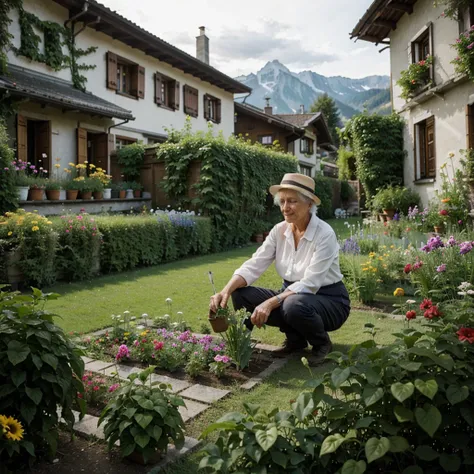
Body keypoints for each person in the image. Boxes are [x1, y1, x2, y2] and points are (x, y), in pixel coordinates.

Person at [209, 173, 350, 363]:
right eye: (282, 201)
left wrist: (269, 303)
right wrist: (225, 290)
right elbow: (255, 263)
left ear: (309, 204)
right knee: (240, 294)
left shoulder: (324, 234)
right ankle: (292, 341)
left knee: (292, 305)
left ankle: (322, 343)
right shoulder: (279, 230)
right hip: (292, 296)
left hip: (329, 299)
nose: (285, 208)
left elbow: (310, 283)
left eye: (292, 201)